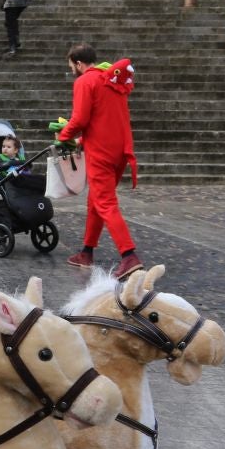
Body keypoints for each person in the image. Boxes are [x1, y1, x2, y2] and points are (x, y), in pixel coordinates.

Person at [58, 43, 144, 280]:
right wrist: (82, 140)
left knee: (104, 202)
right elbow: (104, 119)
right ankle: (86, 252)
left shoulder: (85, 82)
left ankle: (129, 256)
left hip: (101, 153)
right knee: (95, 201)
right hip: (119, 151)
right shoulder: (111, 82)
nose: (72, 71)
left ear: (78, 63)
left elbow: (81, 118)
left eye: (71, 66)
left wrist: (64, 137)